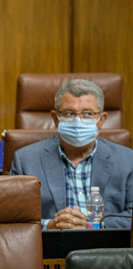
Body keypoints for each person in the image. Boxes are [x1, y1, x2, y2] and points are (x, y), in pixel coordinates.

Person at [11, 79, 133, 229]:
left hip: (108, 249)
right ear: (55, 119)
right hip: (52, 248)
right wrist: (49, 225)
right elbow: (15, 219)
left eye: (88, 114)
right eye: (69, 113)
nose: (78, 121)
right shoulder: (25, 160)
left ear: (101, 120)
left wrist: (94, 224)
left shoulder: (128, 160)